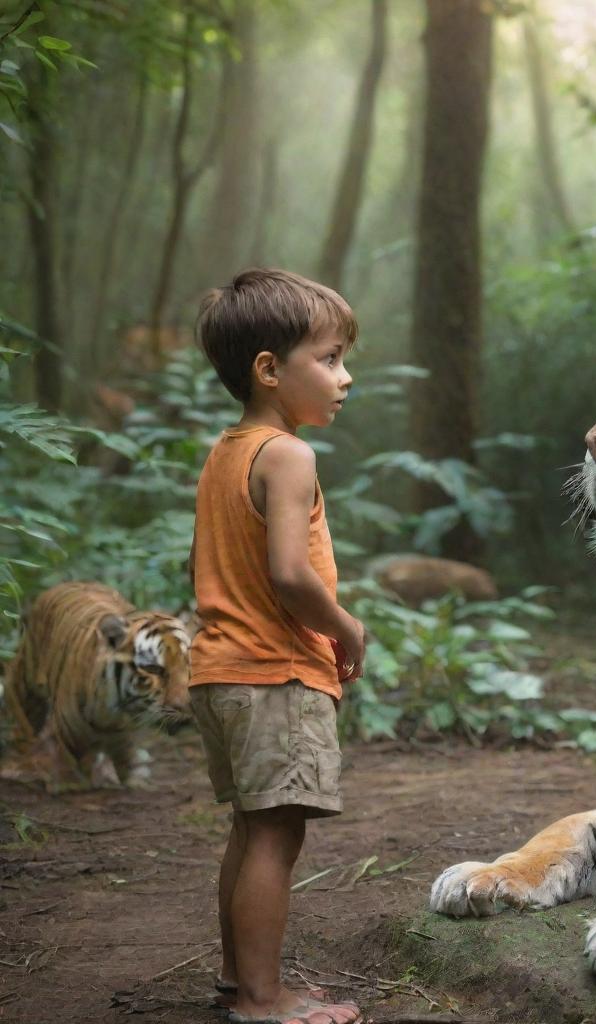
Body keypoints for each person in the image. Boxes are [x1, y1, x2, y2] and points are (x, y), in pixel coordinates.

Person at [188, 268, 365, 1024]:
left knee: (252, 829)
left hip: (221, 673)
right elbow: (289, 574)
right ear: (269, 369)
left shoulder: (230, 451)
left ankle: (239, 980)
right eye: (328, 359)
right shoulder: (289, 455)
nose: (344, 377)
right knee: (275, 837)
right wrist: (345, 626)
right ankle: (263, 999)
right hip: (273, 674)